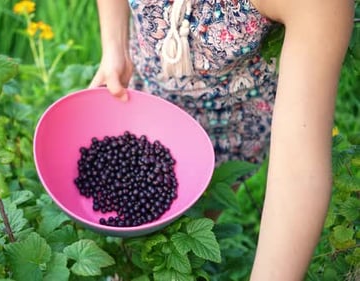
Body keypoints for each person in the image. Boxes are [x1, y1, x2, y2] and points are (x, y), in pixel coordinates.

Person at [88, 0, 354, 280]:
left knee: (190, 221)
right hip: (146, 92)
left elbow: (299, 173)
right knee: (130, 217)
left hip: (229, 126)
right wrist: (115, 46)